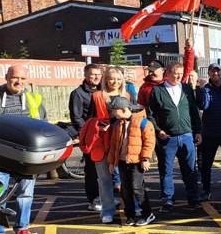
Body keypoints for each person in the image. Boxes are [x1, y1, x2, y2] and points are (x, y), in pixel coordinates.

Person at [147, 62, 202, 212]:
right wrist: (158, 131)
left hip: (187, 136)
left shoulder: (186, 89)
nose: (178, 76)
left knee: (190, 169)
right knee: (166, 170)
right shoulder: (157, 91)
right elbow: (150, 115)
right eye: (175, 73)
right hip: (167, 138)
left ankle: (193, 198)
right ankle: (168, 200)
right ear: (167, 74)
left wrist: (198, 131)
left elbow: (194, 111)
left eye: (180, 73)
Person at [0, 65, 47, 234]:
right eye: (15, 77)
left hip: (26, 156)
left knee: (26, 193)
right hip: (1, 155)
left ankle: (22, 227)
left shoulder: (33, 98)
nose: (19, 82)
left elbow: (43, 124)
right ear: (6, 77)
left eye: (23, 79)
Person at [86, 67, 132, 224]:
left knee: (126, 179)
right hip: (102, 143)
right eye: (112, 79)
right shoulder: (97, 96)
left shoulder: (126, 95)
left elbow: (132, 118)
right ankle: (107, 210)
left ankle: (131, 208)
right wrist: (99, 125)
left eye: (118, 79)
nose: (115, 82)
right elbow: (89, 119)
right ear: (105, 80)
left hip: (122, 142)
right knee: (105, 179)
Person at [106, 97, 156, 226]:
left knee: (137, 188)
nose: (112, 113)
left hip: (136, 161)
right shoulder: (117, 124)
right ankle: (131, 215)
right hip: (123, 161)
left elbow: (149, 142)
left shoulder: (143, 123)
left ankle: (147, 214)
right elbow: (114, 145)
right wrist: (112, 162)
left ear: (123, 110)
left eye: (113, 111)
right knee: (126, 190)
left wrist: (145, 159)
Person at [196, 63, 221, 202]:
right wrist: (201, 90)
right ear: (209, 73)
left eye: (218, 71)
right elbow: (203, 105)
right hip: (210, 133)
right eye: (212, 72)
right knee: (206, 165)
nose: (215, 74)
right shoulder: (205, 89)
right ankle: (206, 190)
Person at [69, 63, 104, 211]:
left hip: (105, 135)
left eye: (98, 74)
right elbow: (76, 118)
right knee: (91, 171)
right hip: (91, 138)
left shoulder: (104, 90)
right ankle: (93, 199)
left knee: (106, 170)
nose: (96, 77)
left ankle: (107, 197)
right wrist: (89, 133)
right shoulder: (77, 93)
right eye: (92, 74)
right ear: (85, 75)